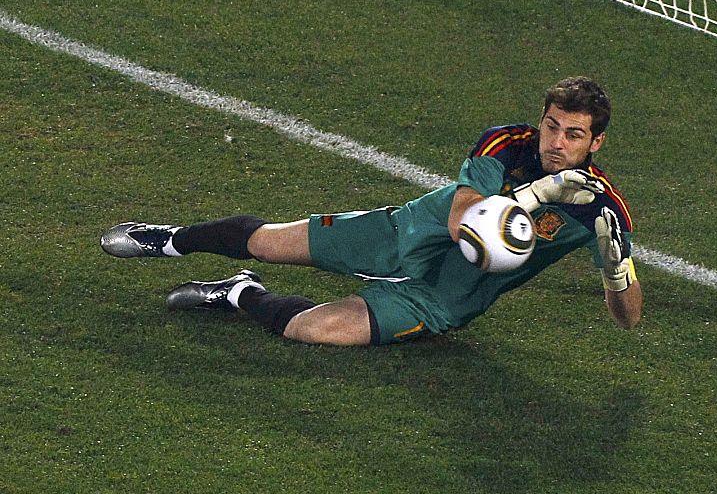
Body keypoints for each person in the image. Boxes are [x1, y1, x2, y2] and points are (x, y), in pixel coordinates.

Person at [101, 76, 642, 346]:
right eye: (552, 126)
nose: (556, 142)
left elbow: (628, 318)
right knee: (269, 240)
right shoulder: (505, 144)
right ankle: (170, 239)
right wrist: (529, 198)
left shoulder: (601, 210)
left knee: (311, 331)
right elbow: (463, 220)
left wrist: (618, 270)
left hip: (439, 299)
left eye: (573, 135)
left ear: (596, 143)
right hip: (405, 235)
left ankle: (239, 292)